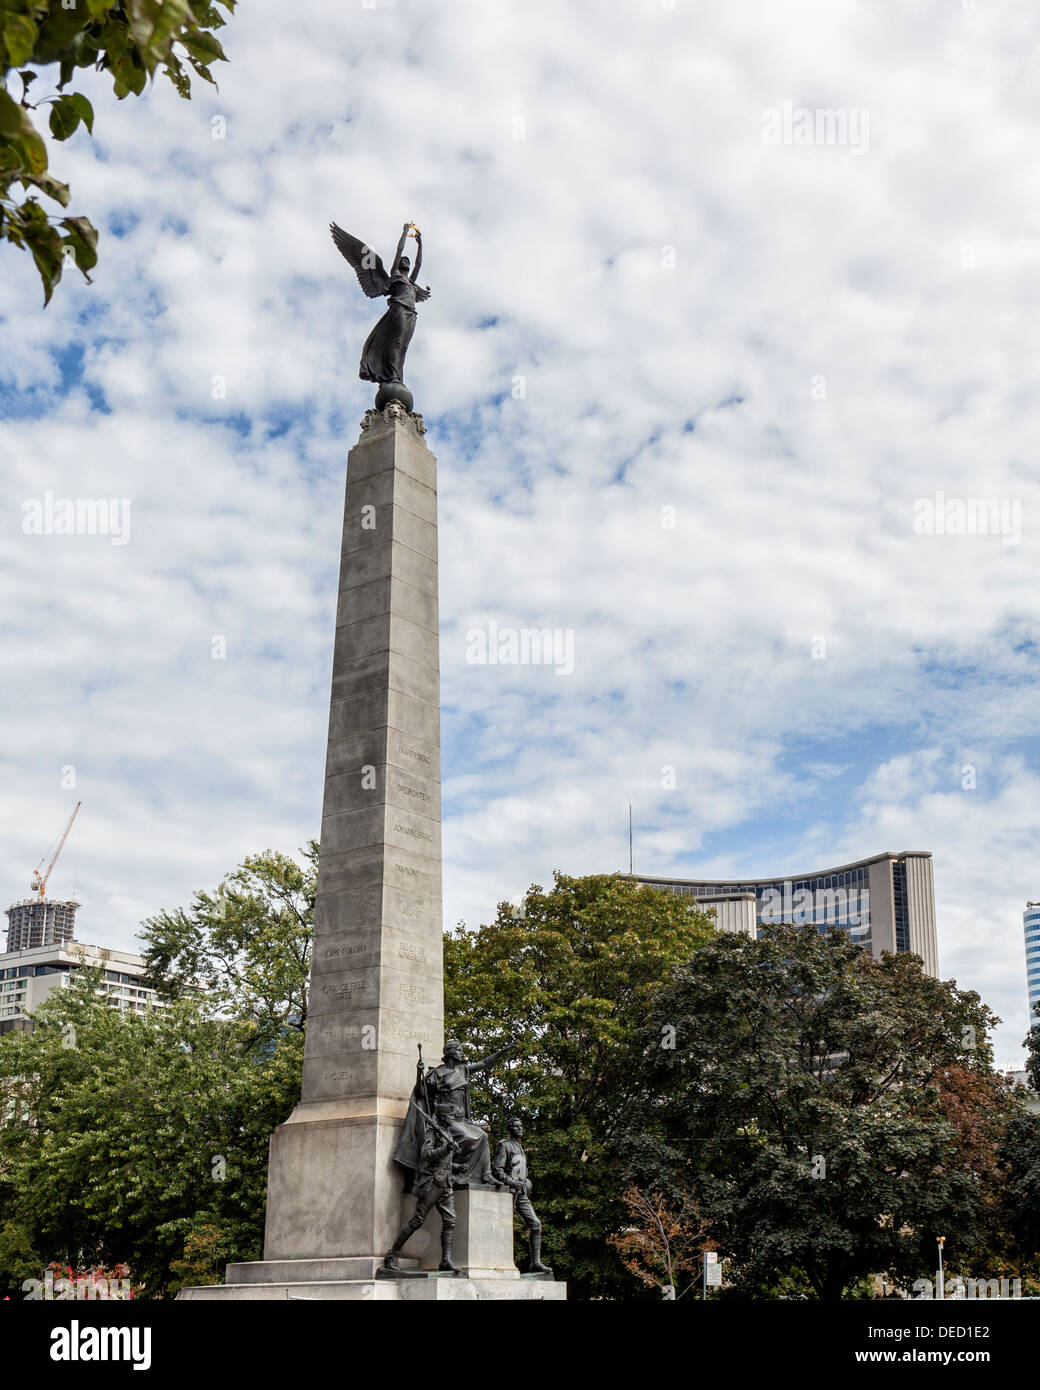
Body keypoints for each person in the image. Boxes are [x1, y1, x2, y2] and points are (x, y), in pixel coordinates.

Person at [383, 1103, 459, 1273]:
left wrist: (456, 1165)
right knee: (417, 1220)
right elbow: (426, 1154)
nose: (453, 1118)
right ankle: (392, 1253)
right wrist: (446, 1148)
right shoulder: (433, 1133)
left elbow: (444, 1161)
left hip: (446, 1183)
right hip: (431, 1183)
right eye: (450, 1115)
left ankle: (446, 1260)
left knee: (450, 1220)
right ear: (443, 1116)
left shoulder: (447, 1133)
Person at [492, 1117, 551, 1274]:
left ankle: (535, 1262)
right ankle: (497, 1262)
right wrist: (512, 1182)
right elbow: (497, 1170)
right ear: (510, 1129)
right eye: (516, 1127)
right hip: (508, 1194)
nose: (520, 1129)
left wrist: (525, 1182)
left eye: (521, 1126)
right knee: (503, 1229)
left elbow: (521, 1170)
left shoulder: (520, 1147)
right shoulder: (504, 1146)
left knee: (536, 1224)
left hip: (522, 1193)